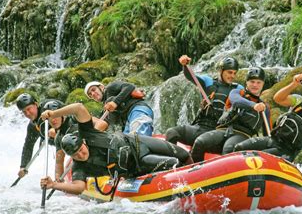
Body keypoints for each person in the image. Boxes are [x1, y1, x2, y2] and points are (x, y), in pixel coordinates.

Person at [39, 103, 192, 195]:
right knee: (174, 162)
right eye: (76, 155)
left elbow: (79, 108)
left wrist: (54, 113)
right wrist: (54, 185)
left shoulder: (87, 132)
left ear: (83, 142)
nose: (81, 154)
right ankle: (190, 191)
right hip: (137, 163)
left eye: (81, 149)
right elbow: (79, 187)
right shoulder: (79, 167)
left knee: (183, 154)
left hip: (138, 142)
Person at [233, 73, 302, 161]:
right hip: (273, 139)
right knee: (239, 147)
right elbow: (277, 98)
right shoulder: (299, 101)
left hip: (288, 151)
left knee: (258, 158)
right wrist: (293, 84)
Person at [190, 67, 270, 162]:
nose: (255, 85)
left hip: (242, 135)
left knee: (228, 148)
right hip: (223, 130)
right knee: (200, 142)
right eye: (252, 82)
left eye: (258, 82)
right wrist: (253, 105)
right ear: (247, 83)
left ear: (263, 84)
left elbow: (268, 135)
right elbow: (235, 101)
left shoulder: (265, 108)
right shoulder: (236, 92)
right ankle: (195, 170)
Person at [165, 55, 244, 147]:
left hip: (219, 131)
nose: (232, 76)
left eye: (235, 73)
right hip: (201, 127)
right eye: (229, 72)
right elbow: (190, 76)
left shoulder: (239, 89)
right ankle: (173, 159)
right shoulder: (208, 82)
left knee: (201, 141)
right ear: (221, 71)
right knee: (172, 132)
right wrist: (185, 65)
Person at [42, 100, 109, 181]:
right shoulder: (58, 138)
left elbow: (103, 124)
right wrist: (58, 179)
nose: (53, 120)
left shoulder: (75, 118)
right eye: (50, 119)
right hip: (90, 159)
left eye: (55, 116)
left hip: (106, 148)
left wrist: (89, 138)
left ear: (61, 114)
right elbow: (59, 162)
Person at [84, 80, 154, 136]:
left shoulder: (110, 87)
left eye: (93, 90)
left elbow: (129, 87)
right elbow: (103, 122)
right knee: (127, 144)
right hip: (128, 121)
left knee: (137, 138)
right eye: (90, 94)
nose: (93, 94)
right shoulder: (106, 106)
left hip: (137, 109)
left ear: (101, 87)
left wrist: (115, 102)